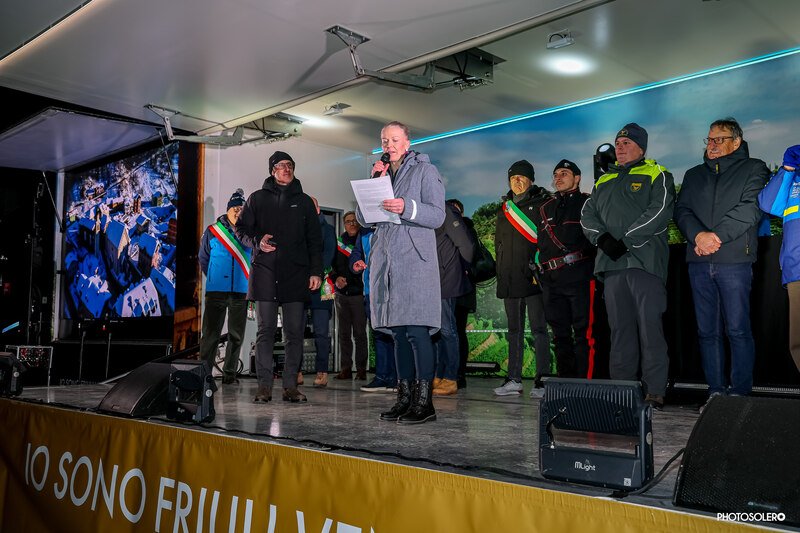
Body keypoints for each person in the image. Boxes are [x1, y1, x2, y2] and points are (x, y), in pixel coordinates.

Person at [581, 123, 675, 410]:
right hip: (611, 266)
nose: (620, 147)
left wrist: (626, 241)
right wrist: (603, 240)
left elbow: (659, 212)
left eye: (626, 143)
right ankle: (622, 390)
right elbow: (587, 216)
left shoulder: (657, 174)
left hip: (645, 264)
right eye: (618, 143)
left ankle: (654, 390)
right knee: (620, 331)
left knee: (650, 329)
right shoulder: (603, 181)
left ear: (641, 147)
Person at [356, 121, 445, 424]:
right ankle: (404, 398)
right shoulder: (381, 173)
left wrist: (407, 207)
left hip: (415, 262)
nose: (389, 145)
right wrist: (373, 183)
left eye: (395, 140)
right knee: (398, 334)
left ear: (407, 143)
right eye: (385, 141)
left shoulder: (425, 171)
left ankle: (424, 403)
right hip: (387, 263)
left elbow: (438, 215)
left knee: (417, 332)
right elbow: (364, 219)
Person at [675, 118, 769, 405]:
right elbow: (682, 211)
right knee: (707, 332)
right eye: (709, 139)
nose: (712, 145)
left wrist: (714, 237)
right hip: (699, 261)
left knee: (738, 330)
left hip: (734, 261)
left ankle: (739, 393)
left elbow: (751, 208)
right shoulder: (693, 174)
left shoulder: (754, 168)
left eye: (719, 139)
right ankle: (715, 392)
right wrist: (699, 237)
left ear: (736, 142)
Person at [234, 151, 322, 404]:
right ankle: (264, 386)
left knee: (294, 333)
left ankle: (290, 387)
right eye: (281, 165)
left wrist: (316, 271)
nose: (286, 168)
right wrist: (257, 241)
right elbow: (241, 229)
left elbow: (315, 241)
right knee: (266, 331)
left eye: (290, 165)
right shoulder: (257, 198)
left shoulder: (304, 202)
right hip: (265, 273)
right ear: (272, 170)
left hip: (296, 274)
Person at [532, 160, 596, 397]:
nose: (558, 178)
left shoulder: (588, 202)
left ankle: (585, 389)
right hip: (551, 281)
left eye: (564, 173)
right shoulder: (545, 208)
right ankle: (565, 388)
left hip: (579, 277)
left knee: (583, 335)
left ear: (577, 178)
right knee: (560, 336)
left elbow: (594, 240)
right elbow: (541, 244)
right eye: (556, 174)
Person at [493, 160, 552, 396]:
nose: (516, 181)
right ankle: (513, 379)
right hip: (509, 279)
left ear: (531, 180)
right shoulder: (504, 209)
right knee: (514, 330)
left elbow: (546, 241)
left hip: (534, 277)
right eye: (512, 178)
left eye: (521, 177)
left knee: (539, 329)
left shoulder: (542, 204)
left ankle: (542, 380)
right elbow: (498, 245)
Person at [198, 188, 251, 385]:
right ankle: (204, 374)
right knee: (210, 335)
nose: (237, 212)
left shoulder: (250, 232)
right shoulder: (212, 231)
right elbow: (203, 258)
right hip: (216, 292)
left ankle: (230, 374)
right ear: (227, 210)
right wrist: (215, 276)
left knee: (236, 336)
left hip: (241, 292)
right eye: (234, 208)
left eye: (241, 209)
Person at [759, 145, 800, 374]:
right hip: (797, 270)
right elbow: (768, 204)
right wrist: (788, 168)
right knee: (798, 343)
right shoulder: (794, 179)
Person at [432, 201, 475, 396]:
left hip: (446, 279)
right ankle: (439, 375)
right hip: (434, 281)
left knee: (447, 330)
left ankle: (450, 378)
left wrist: (462, 269)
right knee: (437, 331)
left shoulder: (446, 211)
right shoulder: (430, 212)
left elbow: (466, 245)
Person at [350, 225, 397, 392]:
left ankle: (398, 378)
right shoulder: (364, 231)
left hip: (393, 288)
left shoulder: (395, 225)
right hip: (371, 290)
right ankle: (382, 377)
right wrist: (355, 263)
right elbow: (357, 252)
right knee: (378, 333)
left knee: (395, 334)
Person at [331, 211, 369, 381]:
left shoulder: (364, 241)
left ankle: (361, 369)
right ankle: (345, 369)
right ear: (344, 224)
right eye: (348, 221)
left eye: (354, 221)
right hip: (341, 295)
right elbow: (330, 265)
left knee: (360, 334)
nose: (352, 224)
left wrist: (350, 281)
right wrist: (336, 279)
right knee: (344, 334)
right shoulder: (338, 243)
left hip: (358, 294)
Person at [303, 196, 336, 388]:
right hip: (301, 287)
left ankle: (322, 371)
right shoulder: (299, 228)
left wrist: (316, 273)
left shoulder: (328, 229)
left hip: (321, 287)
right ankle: (296, 371)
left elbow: (329, 255)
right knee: (295, 332)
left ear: (317, 209)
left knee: (321, 332)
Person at [447, 198, 478, 389]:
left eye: (455, 210)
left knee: (458, 331)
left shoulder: (468, 230)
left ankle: (459, 374)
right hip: (447, 288)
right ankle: (446, 372)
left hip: (463, 290)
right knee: (447, 332)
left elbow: (470, 255)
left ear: (462, 213)